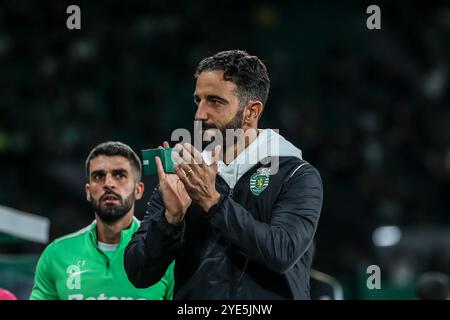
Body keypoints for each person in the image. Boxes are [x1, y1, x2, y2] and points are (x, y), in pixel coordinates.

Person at [124, 50, 323, 299]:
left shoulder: (296, 175)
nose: (200, 115)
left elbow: (282, 252)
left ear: (251, 111)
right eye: (199, 101)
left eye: (215, 101)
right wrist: (170, 220)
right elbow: (138, 272)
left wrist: (213, 202)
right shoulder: (186, 176)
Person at [30, 141, 174, 300]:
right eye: (99, 176)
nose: (108, 184)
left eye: (120, 175)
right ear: (88, 191)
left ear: (138, 190)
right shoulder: (56, 254)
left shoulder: (164, 253)